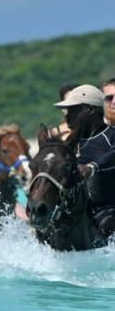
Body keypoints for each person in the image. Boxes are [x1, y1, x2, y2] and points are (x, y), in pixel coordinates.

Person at [63, 80, 115, 240]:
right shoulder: (69, 144)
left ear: (90, 110)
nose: (67, 115)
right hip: (78, 213)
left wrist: (92, 167)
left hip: (108, 211)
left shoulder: (110, 136)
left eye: (73, 110)